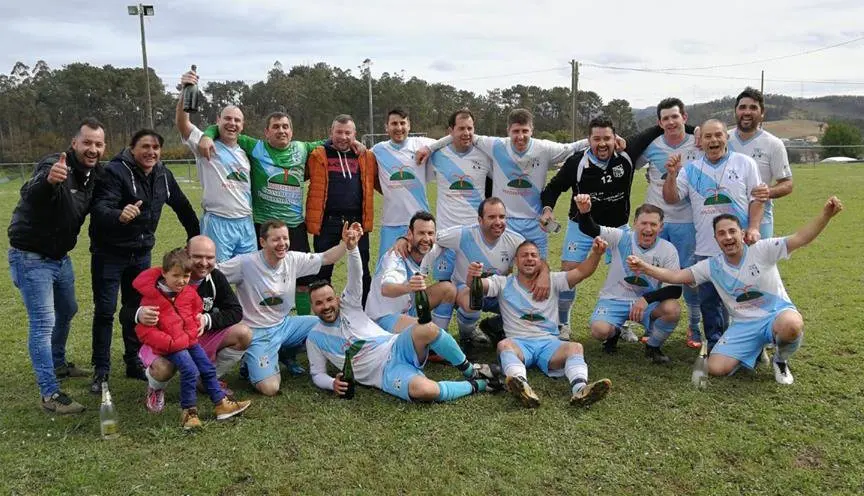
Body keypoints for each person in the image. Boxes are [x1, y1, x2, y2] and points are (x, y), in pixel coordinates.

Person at [626, 196, 843, 384]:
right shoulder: (712, 266)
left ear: (741, 233)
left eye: (732, 232)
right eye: (722, 234)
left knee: (792, 325)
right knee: (715, 368)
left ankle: (780, 360)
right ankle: (755, 349)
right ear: (716, 239)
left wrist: (825, 215)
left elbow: (800, 238)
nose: (728, 237)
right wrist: (644, 267)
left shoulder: (763, 249)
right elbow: (676, 276)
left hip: (775, 316)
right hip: (744, 325)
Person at [306, 224, 502, 402]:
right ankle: (479, 385)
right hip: (384, 373)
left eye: (329, 299)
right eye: (319, 303)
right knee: (425, 391)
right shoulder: (314, 337)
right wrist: (332, 383)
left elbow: (356, 276)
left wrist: (352, 249)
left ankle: (471, 370)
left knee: (426, 329)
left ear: (338, 299)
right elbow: (317, 374)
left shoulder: (350, 307)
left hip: (396, 346)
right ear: (312, 307)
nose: (326, 306)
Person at [89, 129, 200, 393]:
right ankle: (101, 370)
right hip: (109, 253)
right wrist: (119, 213)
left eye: (155, 148)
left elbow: (183, 206)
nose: (151, 152)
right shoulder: (115, 172)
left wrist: (195, 238)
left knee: (138, 309)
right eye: (145, 147)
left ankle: (133, 361)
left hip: (140, 253)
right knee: (105, 311)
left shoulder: (162, 173)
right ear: (131, 147)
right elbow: (99, 208)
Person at [8, 118, 106, 414]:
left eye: (98, 144)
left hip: (59, 257)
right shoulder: (55, 165)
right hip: (31, 256)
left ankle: (59, 363)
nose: (92, 149)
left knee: (68, 309)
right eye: (87, 142)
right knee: (42, 323)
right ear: (74, 143)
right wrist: (48, 180)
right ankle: (49, 395)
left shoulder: (94, 174)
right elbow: (31, 192)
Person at [198, 112, 325, 316]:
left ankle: (303, 324)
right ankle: (261, 319)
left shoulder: (302, 149)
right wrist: (207, 134)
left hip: (294, 226)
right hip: (262, 226)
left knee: (303, 282)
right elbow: (227, 130)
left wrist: (354, 141)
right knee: (261, 278)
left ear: (292, 131)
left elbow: (334, 140)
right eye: (275, 126)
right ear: (266, 132)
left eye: (285, 126)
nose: (281, 130)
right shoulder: (255, 147)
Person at [420, 108, 588, 258]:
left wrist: (607, 138)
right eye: (516, 131)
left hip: (536, 223)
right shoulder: (495, 145)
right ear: (508, 130)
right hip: (504, 223)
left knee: (538, 271)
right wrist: (430, 148)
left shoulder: (544, 148)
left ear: (532, 130)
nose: (520, 136)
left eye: (525, 131)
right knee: (499, 273)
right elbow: (460, 135)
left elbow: (573, 147)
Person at [662, 119, 768, 349]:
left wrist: (753, 228)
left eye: (718, 135)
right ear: (700, 141)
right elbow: (671, 198)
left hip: (739, 248)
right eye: (708, 136)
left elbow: (757, 198)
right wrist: (671, 175)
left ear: (726, 137)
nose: (714, 140)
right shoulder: (691, 170)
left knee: (745, 299)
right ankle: (716, 344)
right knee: (709, 303)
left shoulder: (745, 163)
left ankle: (754, 344)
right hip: (706, 249)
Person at [217, 219, 355, 396]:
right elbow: (213, 274)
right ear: (262, 242)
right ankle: (249, 363)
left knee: (323, 323)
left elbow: (327, 258)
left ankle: (285, 353)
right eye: (275, 239)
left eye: (285, 238)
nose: (282, 244)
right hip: (257, 332)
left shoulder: (292, 260)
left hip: (284, 325)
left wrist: (345, 243)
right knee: (270, 388)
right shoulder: (245, 263)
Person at [469, 238, 611, 408]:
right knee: (504, 345)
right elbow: (476, 285)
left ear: (540, 261)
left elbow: (581, 272)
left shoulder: (553, 280)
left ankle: (580, 389)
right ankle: (522, 387)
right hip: (519, 344)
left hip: (549, 343)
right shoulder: (503, 282)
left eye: (533, 255)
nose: (529, 258)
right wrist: (473, 275)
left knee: (575, 347)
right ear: (516, 261)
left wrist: (596, 254)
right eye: (524, 255)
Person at [540, 116, 637, 341]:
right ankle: (563, 323)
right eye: (596, 139)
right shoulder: (576, 162)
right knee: (569, 274)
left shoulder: (626, 158)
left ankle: (623, 324)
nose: (602, 143)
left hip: (618, 227)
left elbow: (654, 133)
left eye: (607, 138)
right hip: (581, 227)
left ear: (615, 139)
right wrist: (547, 209)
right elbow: (553, 188)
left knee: (628, 274)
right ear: (588, 140)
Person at [133, 248, 251, 429]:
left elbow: (195, 311)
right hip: (169, 346)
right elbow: (144, 331)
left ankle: (221, 404)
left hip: (189, 340)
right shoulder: (152, 297)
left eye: (186, 276)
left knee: (206, 367)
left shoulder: (188, 293)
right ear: (164, 273)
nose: (181, 281)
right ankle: (189, 412)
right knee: (188, 369)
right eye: (176, 276)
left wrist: (194, 326)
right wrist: (170, 343)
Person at [412, 197, 550, 349]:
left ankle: (494, 326)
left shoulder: (515, 240)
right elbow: (433, 240)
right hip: (465, 290)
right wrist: (422, 271)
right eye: (491, 217)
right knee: (473, 303)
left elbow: (536, 260)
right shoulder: (463, 234)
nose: (498, 222)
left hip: (496, 291)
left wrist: (544, 274)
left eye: (502, 217)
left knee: (530, 301)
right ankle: (467, 337)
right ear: (480, 219)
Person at [575, 196, 682, 361]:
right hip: (614, 299)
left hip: (647, 303)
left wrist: (646, 299)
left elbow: (676, 289)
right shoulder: (620, 237)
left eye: (653, 224)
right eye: (643, 223)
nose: (648, 228)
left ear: (661, 227)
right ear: (635, 223)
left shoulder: (668, 249)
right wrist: (584, 212)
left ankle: (652, 347)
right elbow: (590, 228)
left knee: (672, 309)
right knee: (599, 330)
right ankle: (614, 332)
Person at [633, 98, 704, 349]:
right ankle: (653, 325)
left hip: (688, 221)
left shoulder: (699, 143)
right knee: (653, 275)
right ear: (659, 123)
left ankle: (695, 327)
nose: (671, 122)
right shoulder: (652, 146)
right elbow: (630, 162)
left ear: (684, 117)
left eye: (676, 116)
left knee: (690, 277)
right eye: (666, 118)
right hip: (657, 223)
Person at [175, 71, 254, 262]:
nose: (232, 123)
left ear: (242, 125)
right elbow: (183, 124)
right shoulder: (205, 143)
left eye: (237, 120)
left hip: (246, 222)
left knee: (250, 277)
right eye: (227, 118)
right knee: (218, 277)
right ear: (218, 120)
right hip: (218, 222)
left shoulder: (246, 152)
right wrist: (185, 91)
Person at [306, 114, 379, 307]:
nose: (343, 137)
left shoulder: (366, 156)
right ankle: (324, 315)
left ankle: (364, 312)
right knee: (322, 270)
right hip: (328, 221)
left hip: (356, 222)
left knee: (362, 268)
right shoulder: (317, 154)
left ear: (355, 134)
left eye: (348, 133)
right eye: (339, 132)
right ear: (331, 133)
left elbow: (381, 183)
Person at [365, 211, 457, 333]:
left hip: (409, 310)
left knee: (448, 289)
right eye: (421, 233)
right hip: (384, 318)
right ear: (410, 234)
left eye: (430, 233)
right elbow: (386, 289)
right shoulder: (396, 256)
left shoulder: (431, 247)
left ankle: (439, 338)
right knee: (424, 329)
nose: (426, 238)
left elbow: (460, 234)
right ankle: (433, 340)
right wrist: (409, 287)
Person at [727, 87, 793, 239]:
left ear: (762, 113)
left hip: (761, 221)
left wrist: (767, 192)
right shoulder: (723, 139)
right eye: (742, 107)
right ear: (735, 111)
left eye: (753, 108)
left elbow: (787, 184)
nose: (747, 112)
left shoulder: (773, 144)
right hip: (727, 221)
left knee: (761, 262)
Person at [371, 108, 436, 262]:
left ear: (409, 125)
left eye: (402, 123)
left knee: (417, 273)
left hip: (419, 224)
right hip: (391, 223)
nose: (399, 128)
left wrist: (429, 148)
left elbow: (450, 139)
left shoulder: (421, 143)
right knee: (386, 270)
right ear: (386, 127)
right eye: (394, 123)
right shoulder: (377, 150)